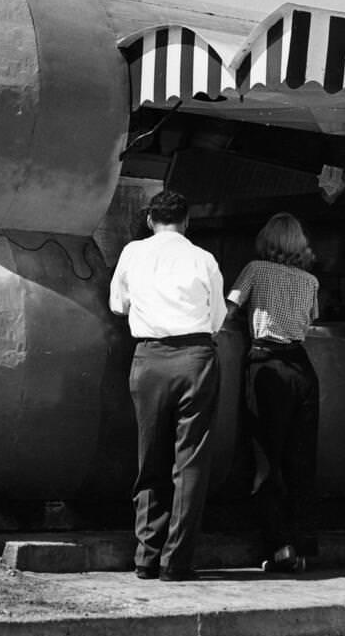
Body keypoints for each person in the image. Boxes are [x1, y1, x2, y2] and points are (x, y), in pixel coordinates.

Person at [109, 189, 226, 582]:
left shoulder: (132, 253)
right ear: (186, 221)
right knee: (190, 462)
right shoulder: (203, 258)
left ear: (149, 219)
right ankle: (177, 562)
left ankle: (145, 557)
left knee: (151, 458)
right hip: (196, 357)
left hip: (150, 358)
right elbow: (216, 318)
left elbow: (117, 305)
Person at [226, 212, 320, 573]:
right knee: (302, 460)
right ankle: (304, 546)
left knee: (266, 458)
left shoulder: (255, 269)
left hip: (267, 364)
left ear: (267, 240)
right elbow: (312, 320)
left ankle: (279, 545)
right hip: (303, 367)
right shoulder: (310, 280)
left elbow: (228, 310)